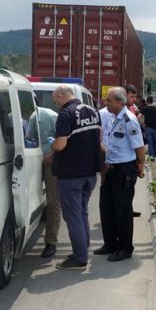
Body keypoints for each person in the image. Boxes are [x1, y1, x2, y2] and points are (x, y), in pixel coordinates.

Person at [51, 85, 102, 270]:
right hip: (90, 173)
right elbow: (100, 139)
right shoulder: (92, 111)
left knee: (73, 217)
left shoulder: (66, 114)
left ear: (60, 96)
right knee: (81, 213)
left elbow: (60, 145)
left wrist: (52, 146)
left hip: (71, 174)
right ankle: (82, 248)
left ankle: (80, 258)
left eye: (55, 100)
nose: (56, 104)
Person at [95, 87, 146, 262]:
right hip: (111, 168)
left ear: (119, 102)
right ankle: (110, 243)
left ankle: (125, 248)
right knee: (106, 207)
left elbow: (139, 147)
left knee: (123, 210)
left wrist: (140, 166)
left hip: (125, 169)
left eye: (108, 100)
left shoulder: (129, 120)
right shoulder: (114, 118)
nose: (105, 103)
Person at [38, 106, 61, 258]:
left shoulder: (44, 115)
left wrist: (51, 155)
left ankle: (51, 241)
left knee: (53, 203)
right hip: (39, 159)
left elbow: (62, 142)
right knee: (53, 203)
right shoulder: (38, 115)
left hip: (50, 161)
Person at [139, 95, 156, 160]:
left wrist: (142, 124)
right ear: (152, 101)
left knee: (150, 143)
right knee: (155, 142)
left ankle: (151, 156)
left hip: (148, 128)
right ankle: (154, 155)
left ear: (147, 101)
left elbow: (139, 117)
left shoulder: (144, 109)